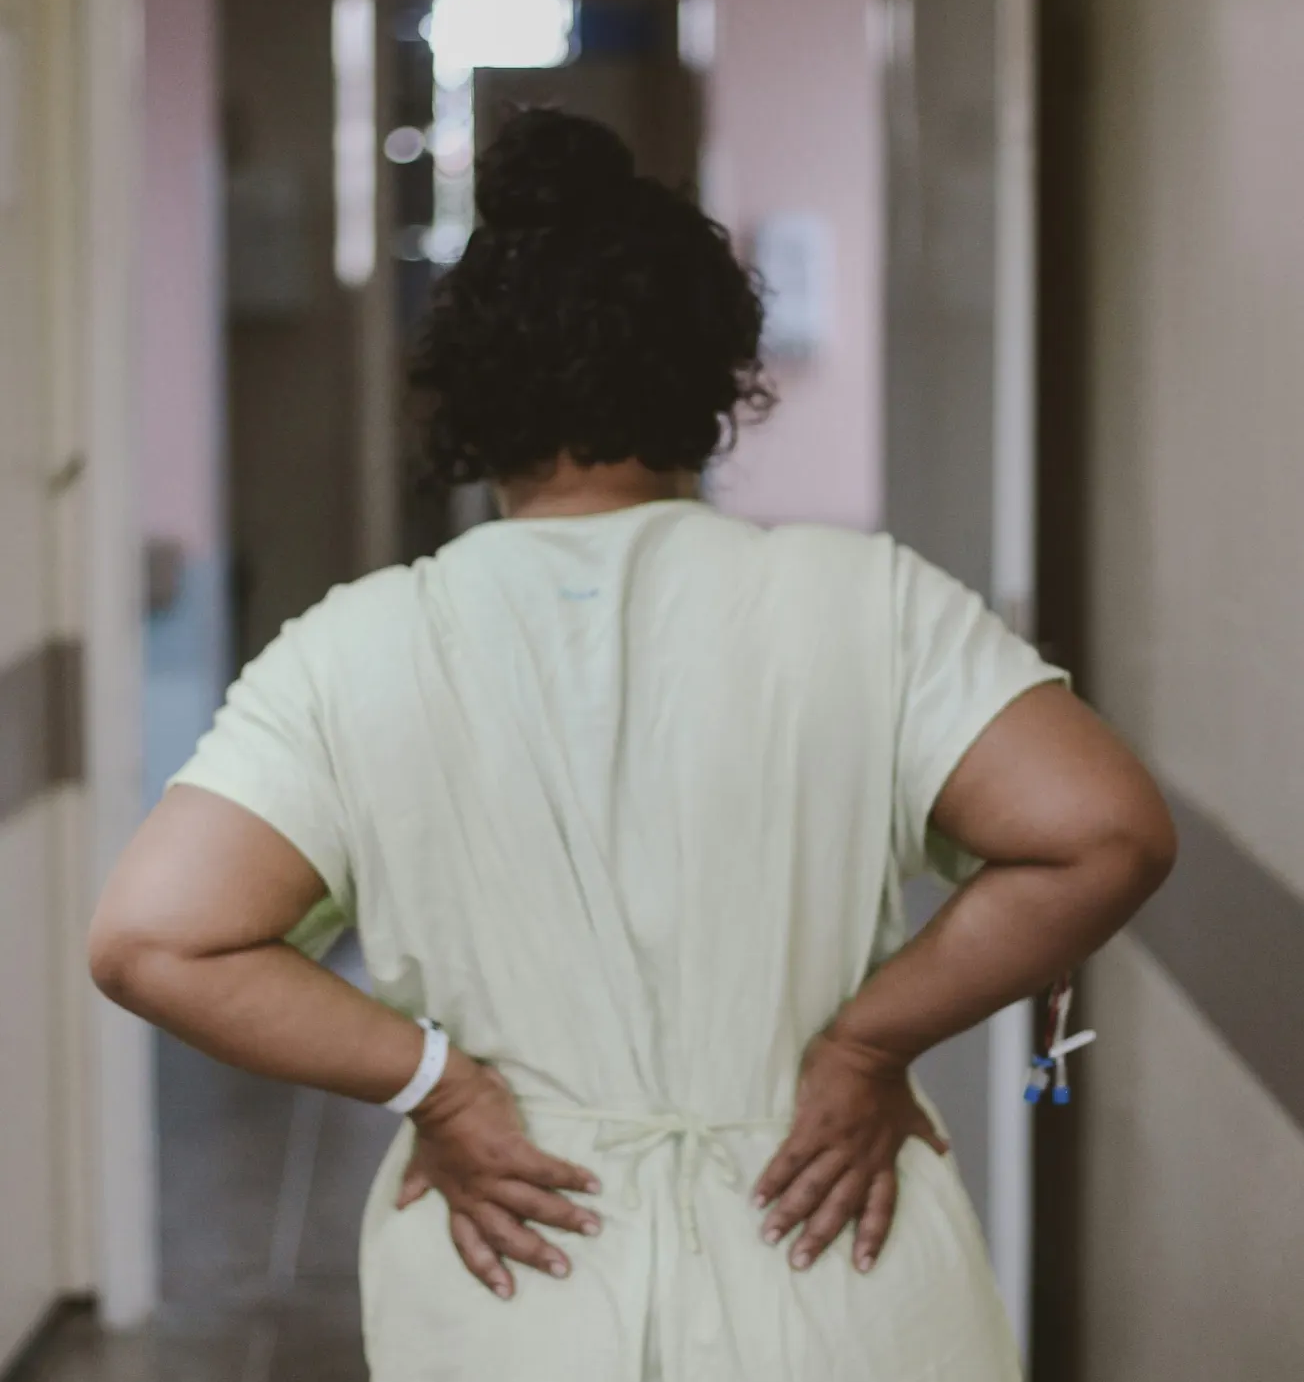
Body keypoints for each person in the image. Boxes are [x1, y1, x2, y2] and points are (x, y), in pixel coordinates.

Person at [90, 110, 1176, 1381]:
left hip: (522, 1273)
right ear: (712, 377)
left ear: (463, 386)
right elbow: (1102, 833)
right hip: (833, 1257)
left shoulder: (357, 650)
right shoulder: (862, 603)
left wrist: (439, 1087)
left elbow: (152, 937)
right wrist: (865, 1044)